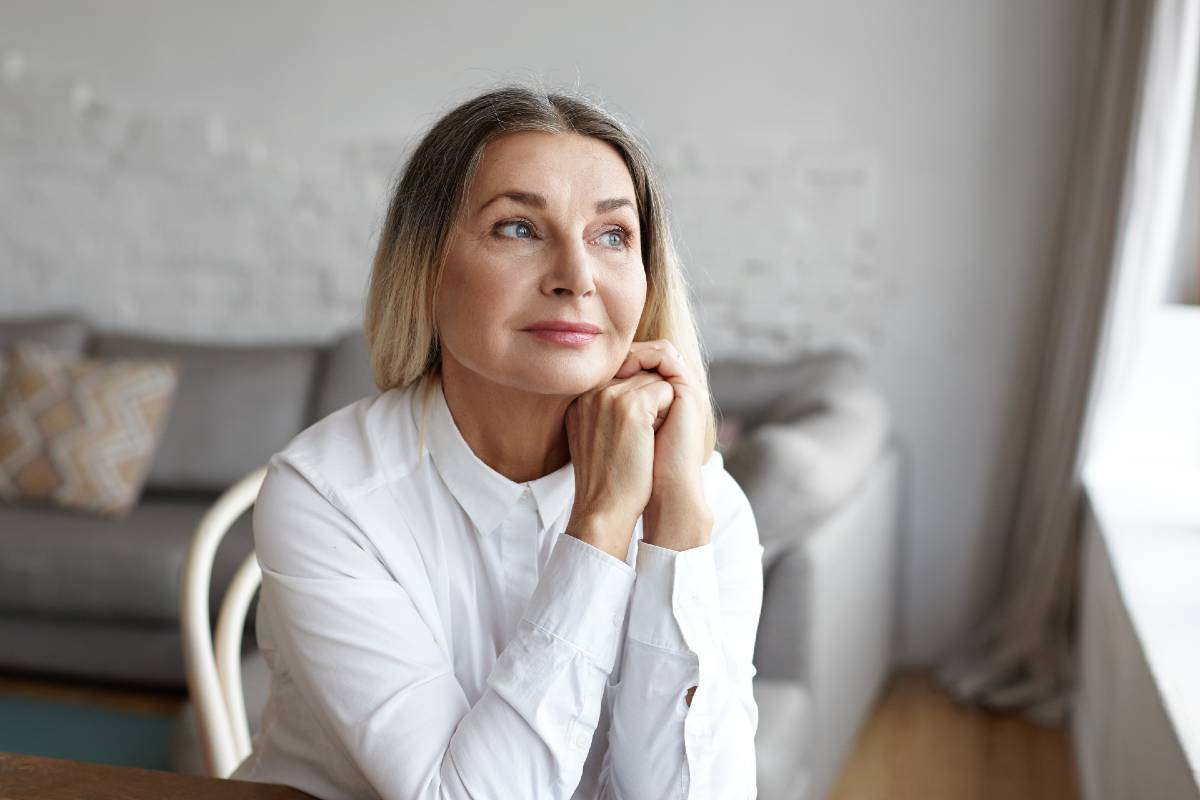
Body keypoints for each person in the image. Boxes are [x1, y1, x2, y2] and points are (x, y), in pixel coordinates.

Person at [230, 84, 765, 799]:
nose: (576, 279)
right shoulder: (328, 497)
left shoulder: (704, 504)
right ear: (424, 268)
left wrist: (674, 529)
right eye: (518, 228)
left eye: (612, 235)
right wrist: (602, 523)